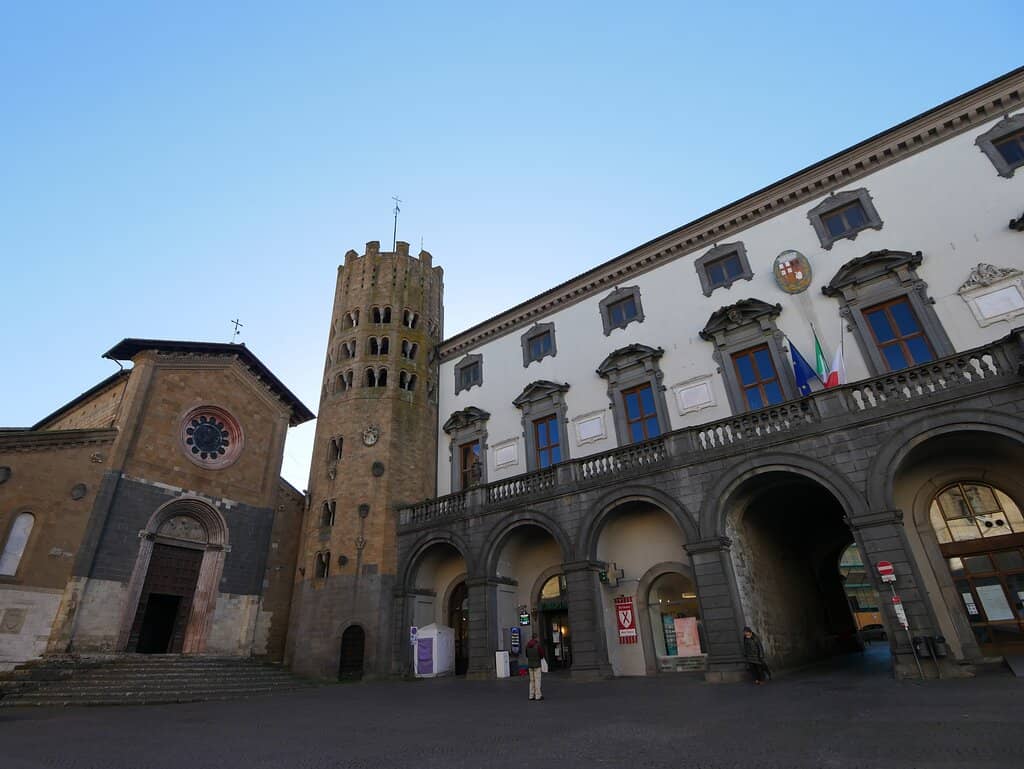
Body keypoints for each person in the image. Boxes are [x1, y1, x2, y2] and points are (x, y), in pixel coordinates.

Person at [525, 632, 546, 701]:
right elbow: (541, 655)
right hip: (537, 665)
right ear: (536, 637)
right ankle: (538, 695)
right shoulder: (538, 645)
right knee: (537, 680)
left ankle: (531, 695)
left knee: (531, 680)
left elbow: (526, 655)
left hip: (530, 665)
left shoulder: (527, 645)